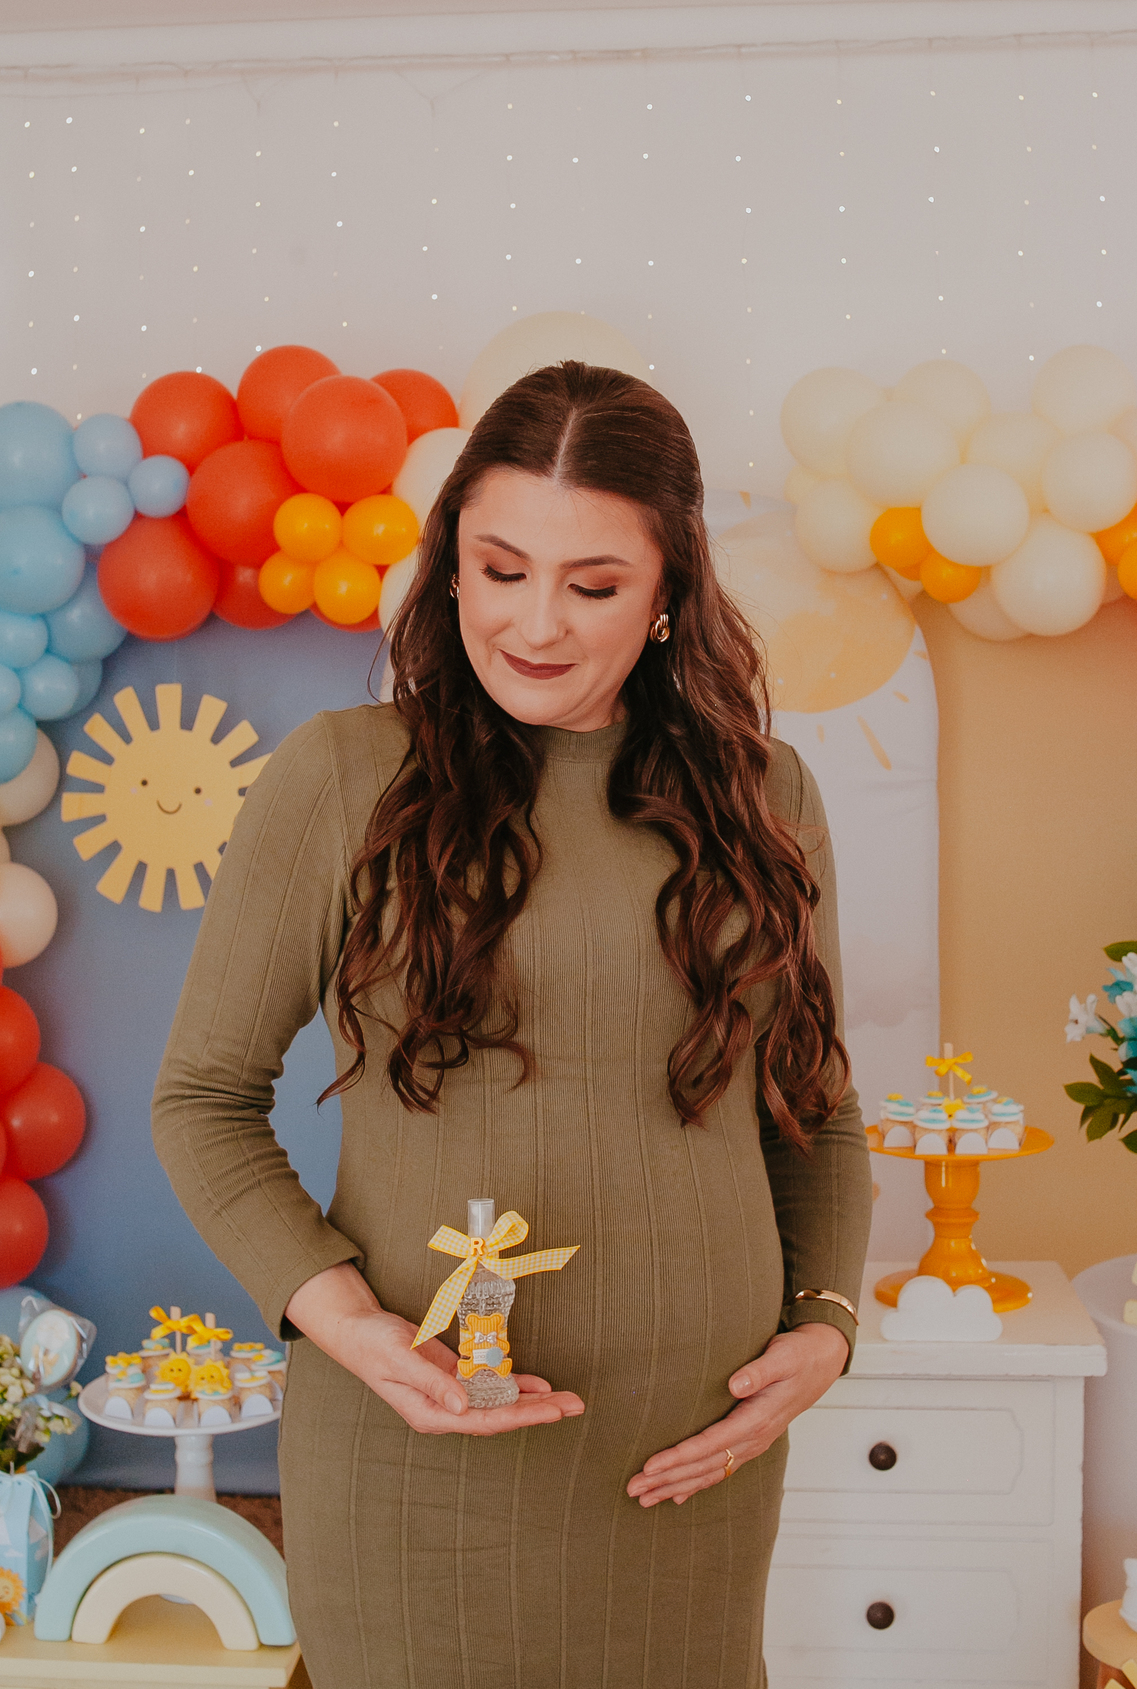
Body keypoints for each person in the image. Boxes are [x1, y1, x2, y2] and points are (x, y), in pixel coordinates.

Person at [152, 360, 872, 1689]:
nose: (535, 622)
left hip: (684, 1470)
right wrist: (347, 1324)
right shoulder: (340, 777)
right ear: (450, 569)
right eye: (500, 569)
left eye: (592, 585)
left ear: (668, 597)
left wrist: (825, 1324)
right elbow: (203, 1097)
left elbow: (811, 1110)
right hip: (413, 1453)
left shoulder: (770, 799)